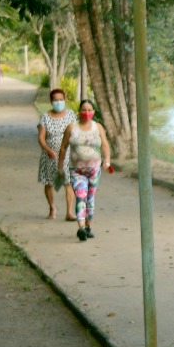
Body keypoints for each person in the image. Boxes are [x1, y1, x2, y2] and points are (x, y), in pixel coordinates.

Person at [57, 99, 112, 242]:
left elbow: (105, 145)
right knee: (81, 196)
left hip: (94, 169)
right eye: (84, 110)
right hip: (77, 170)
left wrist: (107, 161)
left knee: (90, 198)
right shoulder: (71, 128)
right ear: (79, 112)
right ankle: (81, 227)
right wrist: (60, 165)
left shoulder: (98, 127)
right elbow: (63, 148)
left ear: (93, 112)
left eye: (89, 110)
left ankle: (88, 226)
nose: (86, 113)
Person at [37, 88, 77, 220]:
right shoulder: (45, 117)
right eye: (56, 100)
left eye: (61, 100)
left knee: (68, 182)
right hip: (50, 155)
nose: (59, 102)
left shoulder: (71, 115)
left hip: (67, 154)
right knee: (49, 182)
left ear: (64, 100)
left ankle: (69, 212)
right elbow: (41, 137)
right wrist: (48, 150)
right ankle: (52, 208)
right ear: (51, 101)